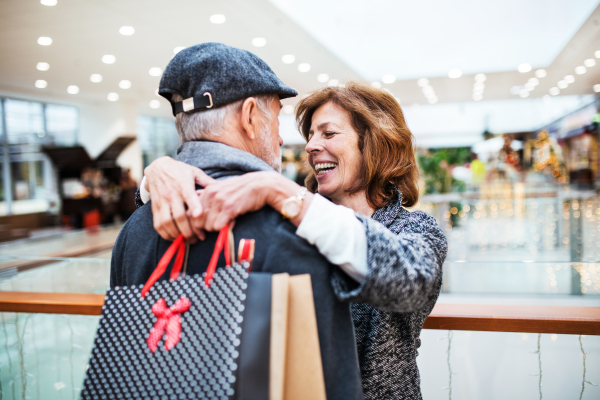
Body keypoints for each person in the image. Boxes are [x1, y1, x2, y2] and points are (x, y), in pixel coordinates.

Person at [140, 81, 448, 400]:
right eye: (311, 135)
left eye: (328, 134)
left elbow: (414, 281)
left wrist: (282, 191)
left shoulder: (414, 228)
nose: (311, 146)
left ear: (375, 144)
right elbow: (186, 220)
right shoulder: (288, 214)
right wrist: (155, 176)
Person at [111, 43, 364, 400]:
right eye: (275, 118)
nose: (279, 137)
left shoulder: (134, 228)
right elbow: (328, 381)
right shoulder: (292, 226)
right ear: (249, 116)